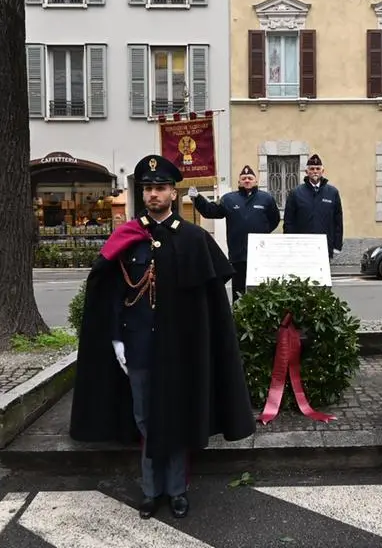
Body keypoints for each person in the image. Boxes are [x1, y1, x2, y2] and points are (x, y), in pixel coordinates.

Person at [69, 154, 256, 520]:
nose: (153, 195)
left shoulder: (192, 239)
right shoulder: (129, 237)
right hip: (138, 346)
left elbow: (209, 303)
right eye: (148, 189)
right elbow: (110, 292)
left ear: (174, 193)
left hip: (181, 349)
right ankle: (151, 490)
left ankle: (177, 489)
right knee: (145, 418)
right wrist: (116, 339)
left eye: (160, 188)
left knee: (177, 415)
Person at [188, 165, 280, 300]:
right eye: (244, 178)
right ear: (239, 182)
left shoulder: (266, 198)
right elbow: (211, 211)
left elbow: (274, 220)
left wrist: (263, 233)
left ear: (256, 181)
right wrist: (198, 199)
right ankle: (239, 317)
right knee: (239, 291)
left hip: (260, 253)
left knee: (261, 289)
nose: (247, 180)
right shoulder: (229, 199)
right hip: (238, 253)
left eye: (250, 178)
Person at [283, 154, 344, 260]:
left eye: (317, 168)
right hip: (302, 248)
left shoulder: (332, 192)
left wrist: (337, 245)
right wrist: (290, 244)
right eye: (312, 169)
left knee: (322, 276)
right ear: (307, 172)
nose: (315, 171)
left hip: (324, 246)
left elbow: (338, 221)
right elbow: (289, 222)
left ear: (322, 171)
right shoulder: (296, 193)